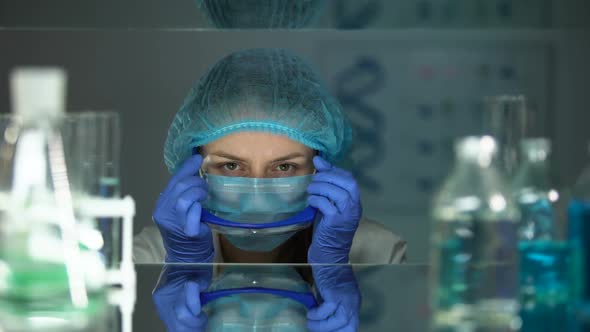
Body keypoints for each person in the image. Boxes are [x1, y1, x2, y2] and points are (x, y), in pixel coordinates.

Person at [133, 48, 406, 264]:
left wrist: (333, 276)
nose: (257, 198)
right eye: (231, 166)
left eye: (284, 167)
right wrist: (180, 275)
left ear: (322, 168)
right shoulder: (152, 254)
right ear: (194, 170)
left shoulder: (378, 252)